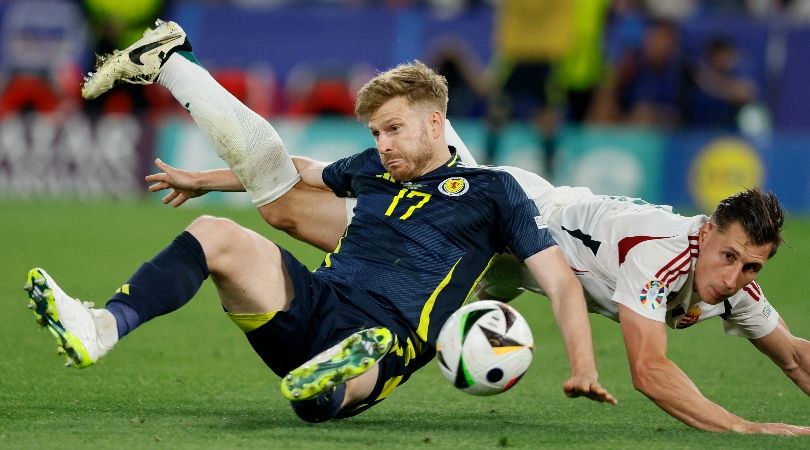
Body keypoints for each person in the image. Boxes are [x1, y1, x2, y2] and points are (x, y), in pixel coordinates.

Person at [24, 20, 616, 424]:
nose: (382, 144)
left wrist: (584, 368)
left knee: (334, 388)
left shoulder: (495, 192)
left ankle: (337, 378)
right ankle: (100, 326)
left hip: (394, 331)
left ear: (436, 123)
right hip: (319, 296)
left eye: (394, 129)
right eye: (376, 133)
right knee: (216, 234)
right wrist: (205, 181)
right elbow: (298, 172)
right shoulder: (373, 168)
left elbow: (562, 282)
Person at [149, 132, 810, 435]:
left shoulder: (732, 279)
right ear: (706, 233)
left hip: (511, 265)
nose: (736, 278)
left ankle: (338, 380)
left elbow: (795, 355)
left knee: (404, 334)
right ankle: (206, 180)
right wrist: (740, 428)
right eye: (728, 258)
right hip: (505, 219)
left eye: (752, 266)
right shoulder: (661, 256)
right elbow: (650, 370)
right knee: (289, 205)